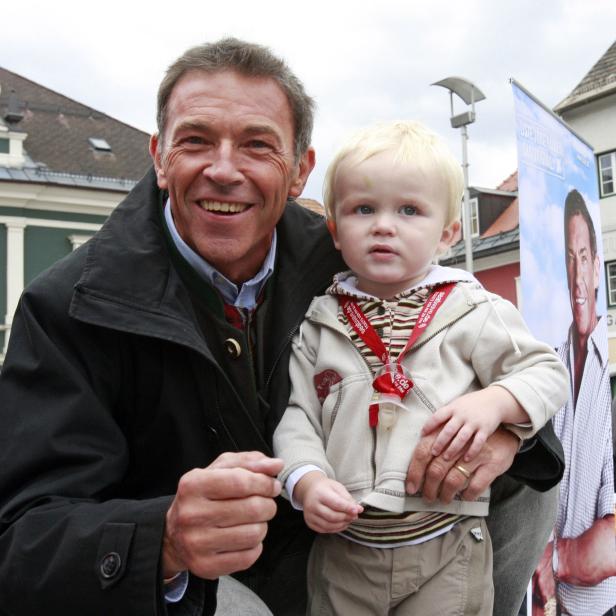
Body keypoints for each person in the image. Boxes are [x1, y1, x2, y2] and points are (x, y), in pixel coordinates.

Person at [0, 38, 564, 616]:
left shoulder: (352, 257)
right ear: (159, 157)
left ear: (299, 172)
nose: (223, 170)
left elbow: (513, 365)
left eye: (256, 146)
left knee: (532, 483)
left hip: (353, 545)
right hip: (199, 586)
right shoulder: (69, 305)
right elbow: (22, 536)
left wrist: (502, 431)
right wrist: (162, 538)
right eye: (195, 140)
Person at [273, 121, 569, 615]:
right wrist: (305, 479)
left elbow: (546, 371)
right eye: (363, 209)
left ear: (448, 233)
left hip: (445, 547)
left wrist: (495, 403)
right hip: (343, 553)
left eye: (409, 210)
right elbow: (298, 416)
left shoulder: (471, 308)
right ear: (335, 231)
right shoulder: (318, 323)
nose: (384, 225)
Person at [532, 189, 616, 616]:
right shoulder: (550, 364)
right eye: (569, 257)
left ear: (598, 269)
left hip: (597, 607)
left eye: (585, 257)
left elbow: (613, 539)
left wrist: (553, 558)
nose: (578, 274)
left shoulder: (609, 376)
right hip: (549, 605)